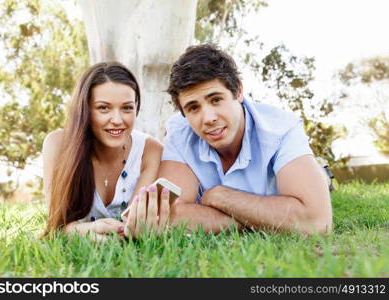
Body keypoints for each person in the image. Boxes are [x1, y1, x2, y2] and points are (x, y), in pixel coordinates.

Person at [159, 44, 332, 235]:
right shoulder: (179, 132)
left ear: (238, 92)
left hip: (288, 163)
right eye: (193, 108)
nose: (208, 118)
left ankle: (321, 175)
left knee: (317, 182)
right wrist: (257, 221)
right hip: (268, 206)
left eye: (216, 99)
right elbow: (169, 214)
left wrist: (219, 196)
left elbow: (316, 222)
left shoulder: (282, 129)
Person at [43, 62, 169, 240]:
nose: (117, 120)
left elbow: (135, 225)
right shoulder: (58, 144)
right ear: (84, 109)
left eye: (127, 108)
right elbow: (56, 226)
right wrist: (88, 230)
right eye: (103, 108)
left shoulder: (151, 150)